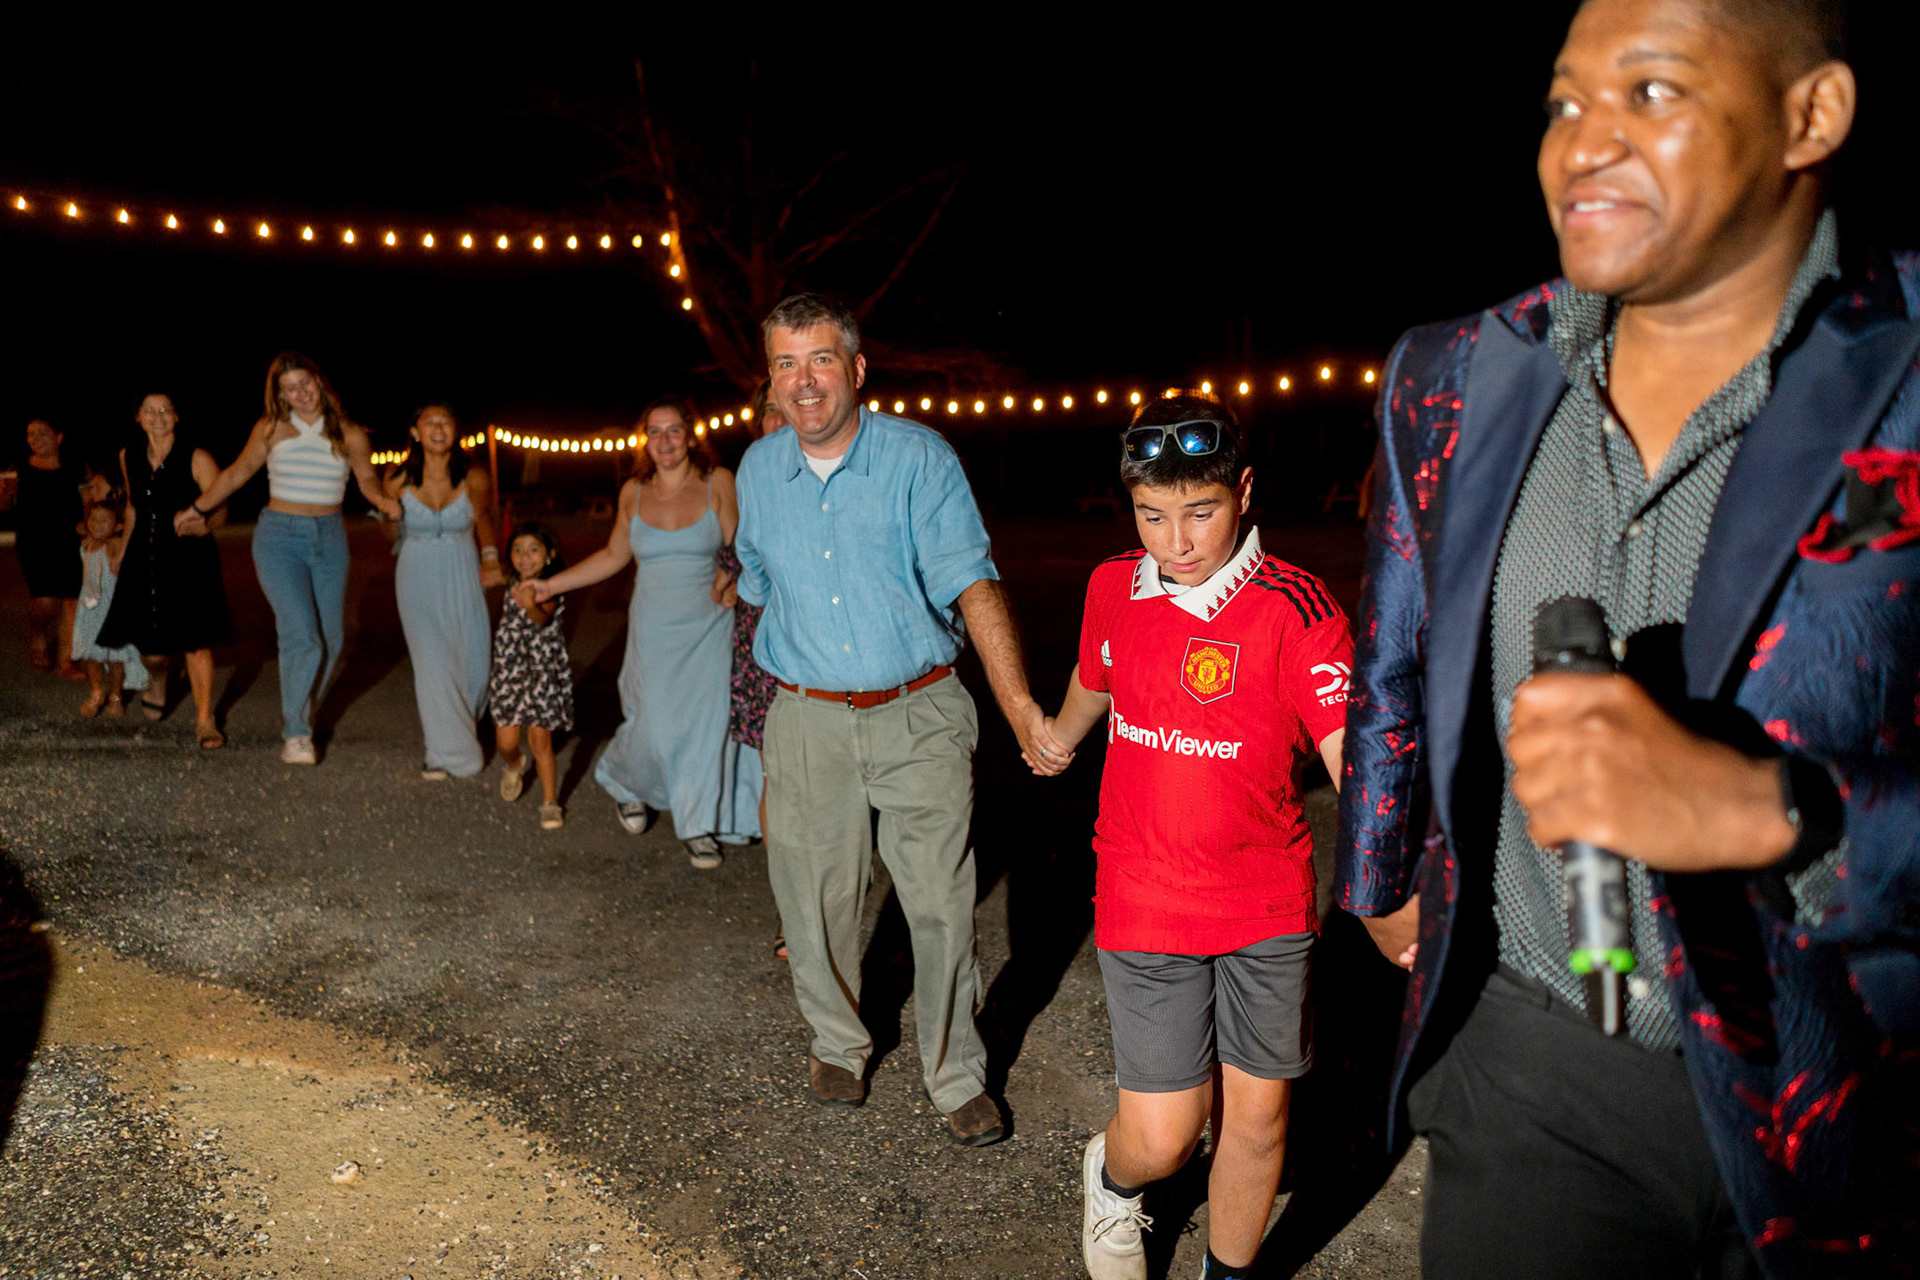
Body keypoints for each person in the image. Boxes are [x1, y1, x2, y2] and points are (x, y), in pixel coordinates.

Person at [1333, 1, 1919, 1274]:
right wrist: (1378, 876)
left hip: (1858, 1080)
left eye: (1650, 92)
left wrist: (1784, 814)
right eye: (1561, 102)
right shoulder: (1455, 371)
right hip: (1536, 1060)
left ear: (1809, 115)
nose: (1581, 143)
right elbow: (1398, 649)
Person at [733, 293, 1063, 1147]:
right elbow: (759, 589)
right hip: (806, 717)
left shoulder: (919, 459)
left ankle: (956, 1077)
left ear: (856, 369)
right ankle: (837, 1041)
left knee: (942, 902)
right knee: (812, 898)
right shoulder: (756, 471)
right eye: (785, 364)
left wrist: (1020, 705)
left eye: (820, 360)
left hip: (917, 710)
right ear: (769, 378)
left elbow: (971, 581)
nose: (804, 382)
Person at [1034, 397, 1351, 1280]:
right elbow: (1096, 673)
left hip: (1263, 899)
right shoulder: (1112, 584)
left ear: (1243, 492)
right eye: (1152, 515)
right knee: (1168, 1137)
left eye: (1200, 512)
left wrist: (1393, 869)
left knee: (1257, 1121)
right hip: (1144, 890)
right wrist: (1060, 734)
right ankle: (1112, 1180)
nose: (1175, 541)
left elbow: (1351, 754)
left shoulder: (1297, 606)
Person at [531, 396, 760, 867]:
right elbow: (614, 556)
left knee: (704, 727)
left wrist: (732, 580)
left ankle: (696, 824)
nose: (665, 441)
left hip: (708, 628)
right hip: (652, 629)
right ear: (645, 440)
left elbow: (740, 546)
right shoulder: (633, 492)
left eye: (673, 430)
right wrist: (549, 584)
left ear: (691, 434)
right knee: (652, 723)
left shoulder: (718, 482)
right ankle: (629, 781)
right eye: (655, 432)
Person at [176, 352, 400, 764]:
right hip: (280, 537)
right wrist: (199, 507)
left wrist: (383, 500)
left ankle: (301, 705)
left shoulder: (348, 432)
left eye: (305, 383)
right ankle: (296, 732)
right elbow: (235, 474)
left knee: (330, 641)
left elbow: (366, 477)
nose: (301, 394)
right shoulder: (271, 429)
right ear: (279, 395)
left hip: (330, 538)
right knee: (303, 636)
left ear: (319, 381)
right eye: (290, 388)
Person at [96, 394, 231, 748]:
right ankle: (158, 678)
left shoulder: (198, 458)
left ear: (176, 417)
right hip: (145, 556)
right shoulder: (129, 456)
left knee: (196, 642)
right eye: (150, 411)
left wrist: (206, 526)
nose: (158, 416)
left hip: (190, 558)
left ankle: (205, 720)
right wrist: (123, 550)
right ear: (138, 418)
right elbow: (133, 509)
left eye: (165, 410)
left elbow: (221, 509)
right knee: (152, 650)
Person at [382, 404, 501, 780]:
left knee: (474, 663)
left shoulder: (474, 475)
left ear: (455, 430)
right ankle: (445, 753)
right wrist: (389, 516)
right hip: (417, 572)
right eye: (428, 422)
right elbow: (390, 535)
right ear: (415, 432)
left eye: (445, 421)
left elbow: (483, 518)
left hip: (462, 567)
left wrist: (491, 557)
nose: (437, 428)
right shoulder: (396, 478)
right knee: (432, 661)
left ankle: (461, 729)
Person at [714, 379, 788, 956]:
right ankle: (793, 908)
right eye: (769, 411)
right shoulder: (753, 476)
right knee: (777, 776)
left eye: (787, 407)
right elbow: (735, 558)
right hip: (762, 644)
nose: (778, 419)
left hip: (826, 647)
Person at [492, 523, 573, 831]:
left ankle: (550, 802)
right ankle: (514, 764)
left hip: (541, 672)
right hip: (509, 670)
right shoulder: (511, 580)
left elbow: (543, 616)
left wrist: (530, 606)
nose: (525, 557)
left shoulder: (551, 586)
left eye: (534, 550)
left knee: (541, 741)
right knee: (507, 741)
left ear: (549, 555)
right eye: (518, 550)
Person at [12, 419, 84, 677]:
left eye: (43, 433)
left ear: (59, 436)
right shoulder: (21, 467)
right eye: (30, 434)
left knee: (71, 602)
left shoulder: (74, 467)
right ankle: (39, 635)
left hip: (70, 541)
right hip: (35, 543)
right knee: (45, 602)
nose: (36, 438)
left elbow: (87, 498)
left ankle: (66, 662)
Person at [70, 491, 150, 716]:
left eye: (105, 520)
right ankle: (96, 692)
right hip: (89, 610)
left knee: (115, 656)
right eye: (93, 519)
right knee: (92, 654)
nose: (97, 525)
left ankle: (116, 694)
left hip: (111, 609)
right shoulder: (86, 546)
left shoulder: (114, 545)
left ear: (117, 526)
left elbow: (129, 541)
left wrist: (123, 539)